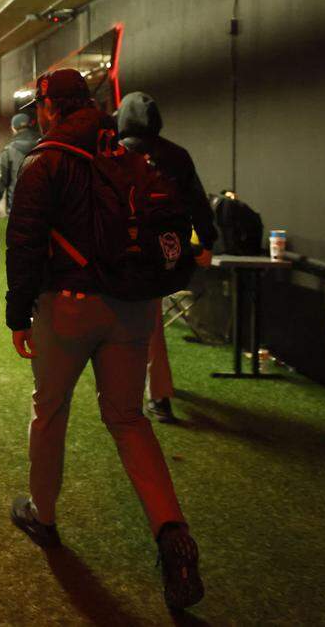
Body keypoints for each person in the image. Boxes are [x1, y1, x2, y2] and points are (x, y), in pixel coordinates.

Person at [4, 70, 204, 611]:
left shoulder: (45, 161)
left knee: (50, 411)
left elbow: (24, 244)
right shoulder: (126, 149)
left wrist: (17, 315)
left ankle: (42, 517)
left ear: (48, 108)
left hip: (68, 309)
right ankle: (171, 531)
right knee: (128, 419)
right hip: (134, 307)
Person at [115, 91, 217, 423]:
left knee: (122, 324)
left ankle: (144, 393)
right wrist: (205, 244)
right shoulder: (176, 155)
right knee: (151, 322)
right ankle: (156, 393)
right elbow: (198, 205)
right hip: (164, 257)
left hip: (117, 255)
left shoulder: (112, 154)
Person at [0, 112, 40, 222]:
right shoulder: (45, 145)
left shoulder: (9, 151)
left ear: (14, 128)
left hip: (18, 210)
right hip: (47, 210)